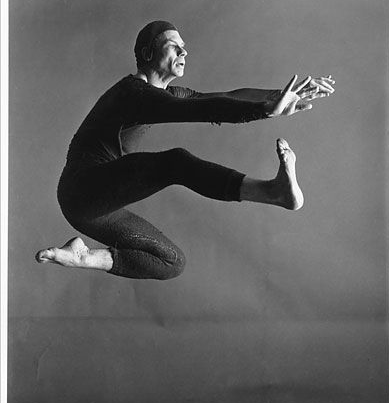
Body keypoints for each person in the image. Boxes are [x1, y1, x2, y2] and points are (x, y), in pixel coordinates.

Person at [35, 20, 335, 280]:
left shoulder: (161, 93)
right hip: (82, 188)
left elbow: (224, 97)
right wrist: (263, 110)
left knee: (170, 263)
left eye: (184, 46)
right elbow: (196, 109)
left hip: (94, 209)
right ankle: (271, 192)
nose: (184, 52)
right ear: (148, 53)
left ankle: (83, 257)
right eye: (173, 45)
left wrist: (278, 95)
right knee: (175, 162)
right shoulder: (132, 94)